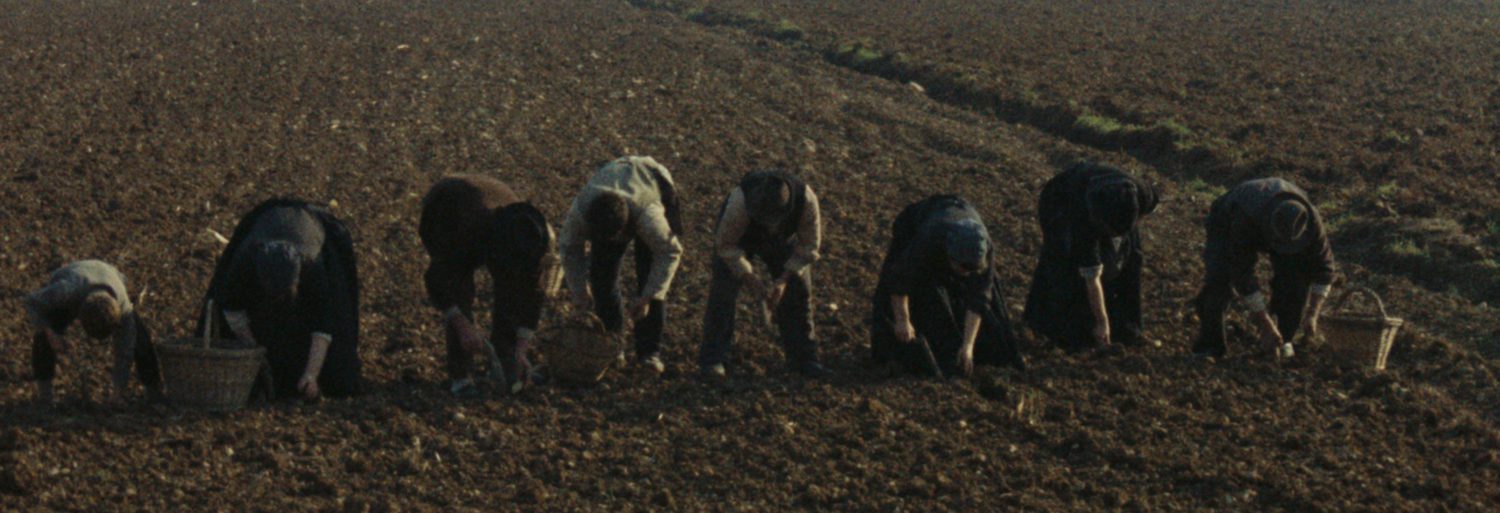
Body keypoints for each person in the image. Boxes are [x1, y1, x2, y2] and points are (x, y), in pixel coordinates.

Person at [202, 199, 362, 399]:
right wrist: (255, 352)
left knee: (340, 378)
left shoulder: (312, 266)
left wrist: (311, 374)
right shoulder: (245, 262)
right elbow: (232, 309)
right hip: (264, 227)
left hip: (310, 231)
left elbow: (323, 325)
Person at [420, 175, 557, 397]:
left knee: (511, 296)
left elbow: (533, 293)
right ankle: (460, 379)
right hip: (445, 210)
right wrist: (461, 323)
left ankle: (506, 364)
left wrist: (523, 343)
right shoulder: (460, 229)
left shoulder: (531, 236)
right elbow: (436, 278)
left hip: (488, 208)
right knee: (459, 292)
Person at [870, 195, 1023, 378]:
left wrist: (968, 346)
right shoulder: (928, 241)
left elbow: (979, 299)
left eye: (970, 271)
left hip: (958, 214)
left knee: (990, 321)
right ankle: (893, 355)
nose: (965, 274)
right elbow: (900, 280)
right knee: (917, 296)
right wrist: (903, 320)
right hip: (917, 224)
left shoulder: (985, 250)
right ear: (950, 255)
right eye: (961, 268)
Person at [558, 156, 683, 374]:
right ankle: (614, 346)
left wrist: (648, 296)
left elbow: (670, 252)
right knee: (602, 279)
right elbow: (569, 250)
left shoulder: (648, 216)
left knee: (648, 276)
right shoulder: (582, 211)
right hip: (614, 188)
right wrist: (579, 293)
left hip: (652, 183)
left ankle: (649, 353)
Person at [699, 169, 825, 379]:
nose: (768, 225)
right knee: (723, 293)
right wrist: (749, 277)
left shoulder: (806, 200)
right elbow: (725, 245)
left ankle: (804, 358)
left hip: (784, 241)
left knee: (799, 291)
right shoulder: (740, 203)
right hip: (740, 239)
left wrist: (784, 280)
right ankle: (714, 359)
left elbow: (809, 247)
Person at [1193, 178, 1337, 358]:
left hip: (1278, 228)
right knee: (1219, 278)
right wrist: (1264, 323)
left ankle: (1283, 340)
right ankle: (1210, 346)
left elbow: (1325, 268)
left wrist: (1312, 314)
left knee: (1295, 279)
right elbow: (1242, 273)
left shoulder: (1312, 223)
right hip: (1227, 219)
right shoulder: (1246, 220)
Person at [1024, 162, 1159, 354]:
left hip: (1114, 210)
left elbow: (1144, 212)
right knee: (1064, 262)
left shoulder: (1141, 193)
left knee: (1131, 258)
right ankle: (1059, 328)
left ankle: (1126, 328)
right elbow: (1091, 277)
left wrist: (1126, 230)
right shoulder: (1081, 221)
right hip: (1060, 199)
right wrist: (1102, 322)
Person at [24, 260, 162, 407]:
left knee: (139, 337)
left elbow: (124, 350)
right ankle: (45, 396)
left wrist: (118, 392)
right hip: (73, 277)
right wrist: (50, 333)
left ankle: (154, 392)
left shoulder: (123, 308)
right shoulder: (65, 291)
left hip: (109, 273)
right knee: (44, 334)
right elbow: (31, 303)